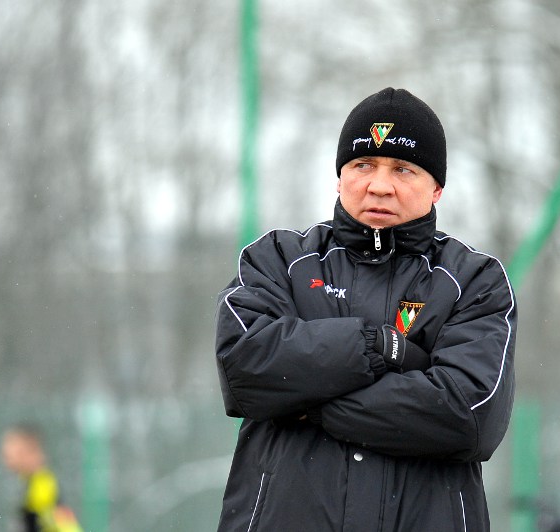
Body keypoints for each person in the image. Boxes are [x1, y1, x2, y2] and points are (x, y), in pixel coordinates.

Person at [214, 87, 516, 531]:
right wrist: (379, 346)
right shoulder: (277, 259)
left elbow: (469, 417)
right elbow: (245, 369)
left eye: (403, 169)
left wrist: (313, 404)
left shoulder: (474, 280)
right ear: (340, 178)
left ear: (437, 188)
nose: (379, 185)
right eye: (363, 165)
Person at [0, 424, 82, 532]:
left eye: (13, 454)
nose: (7, 459)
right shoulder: (31, 483)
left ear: (31, 452)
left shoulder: (42, 486)